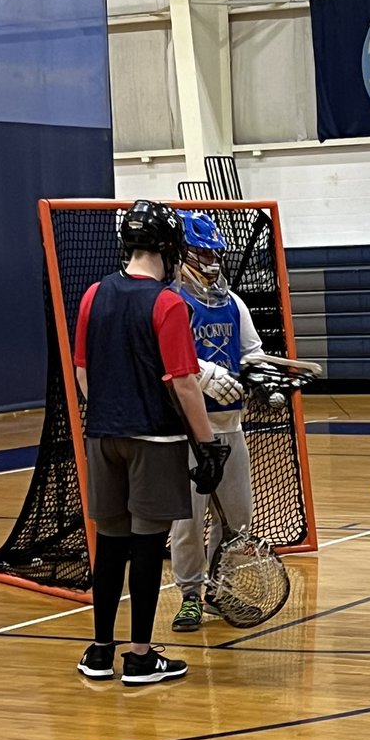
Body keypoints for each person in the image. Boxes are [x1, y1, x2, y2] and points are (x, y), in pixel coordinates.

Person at [73, 200, 230, 684]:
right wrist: (208, 445)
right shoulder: (168, 303)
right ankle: (140, 655)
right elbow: (184, 382)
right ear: (169, 247)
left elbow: (83, 373)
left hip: (102, 437)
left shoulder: (92, 294)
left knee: (111, 546)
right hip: (154, 439)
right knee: (145, 547)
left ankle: (100, 651)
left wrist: (110, 409)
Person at [168, 210, 266, 632]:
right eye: (201, 251)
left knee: (237, 517)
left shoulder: (233, 302)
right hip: (186, 433)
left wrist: (265, 378)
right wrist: (205, 377)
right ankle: (190, 594)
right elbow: (168, 364)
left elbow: (252, 352)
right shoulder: (172, 301)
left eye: (214, 251)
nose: (211, 259)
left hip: (231, 427)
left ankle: (218, 588)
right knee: (188, 522)